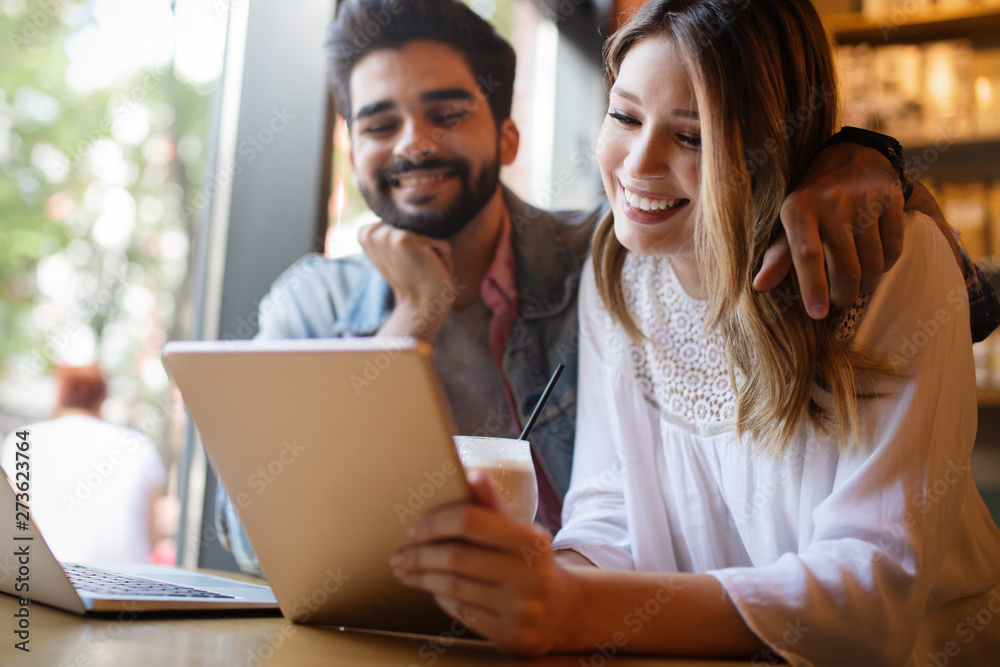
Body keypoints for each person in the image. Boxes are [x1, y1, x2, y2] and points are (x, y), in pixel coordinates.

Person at [215, 0, 998, 575]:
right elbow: (258, 540)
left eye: (446, 111)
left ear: (508, 134)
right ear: (352, 149)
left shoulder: (599, 253)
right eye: (380, 123)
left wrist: (864, 159)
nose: (413, 141)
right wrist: (407, 324)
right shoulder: (308, 304)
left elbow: (962, 297)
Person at [388, 0, 1000, 663]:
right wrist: (538, 588)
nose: (638, 164)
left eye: (692, 137)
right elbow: (609, 509)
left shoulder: (891, 262)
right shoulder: (620, 267)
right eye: (624, 115)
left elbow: (872, 591)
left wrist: (573, 608)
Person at [0, 365, 166, 563]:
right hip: (125, 584)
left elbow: (13, 523)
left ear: (59, 396)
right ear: (102, 399)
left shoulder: (21, 440)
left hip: (42, 581)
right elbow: (152, 533)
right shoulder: (138, 445)